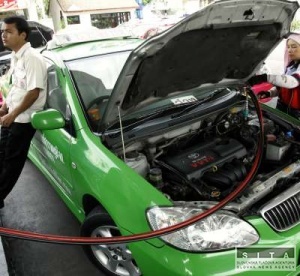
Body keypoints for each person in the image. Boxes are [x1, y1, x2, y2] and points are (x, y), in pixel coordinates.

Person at [0, 16, 47, 208]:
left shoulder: (33, 58)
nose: (4, 35)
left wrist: (12, 114)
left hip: (23, 120)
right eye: (3, 31)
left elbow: (34, 92)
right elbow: (17, 86)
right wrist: (5, 108)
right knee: (2, 157)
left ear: (23, 34)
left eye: (9, 31)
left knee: (11, 165)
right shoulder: (16, 56)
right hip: (12, 116)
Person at [248, 33, 300, 119]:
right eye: (288, 46)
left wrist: (265, 78)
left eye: (294, 46)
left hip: (296, 114)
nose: (289, 50)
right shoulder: (290, 66)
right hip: (281, 107)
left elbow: (292, 82)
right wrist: (269, 93)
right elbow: (282, 87)